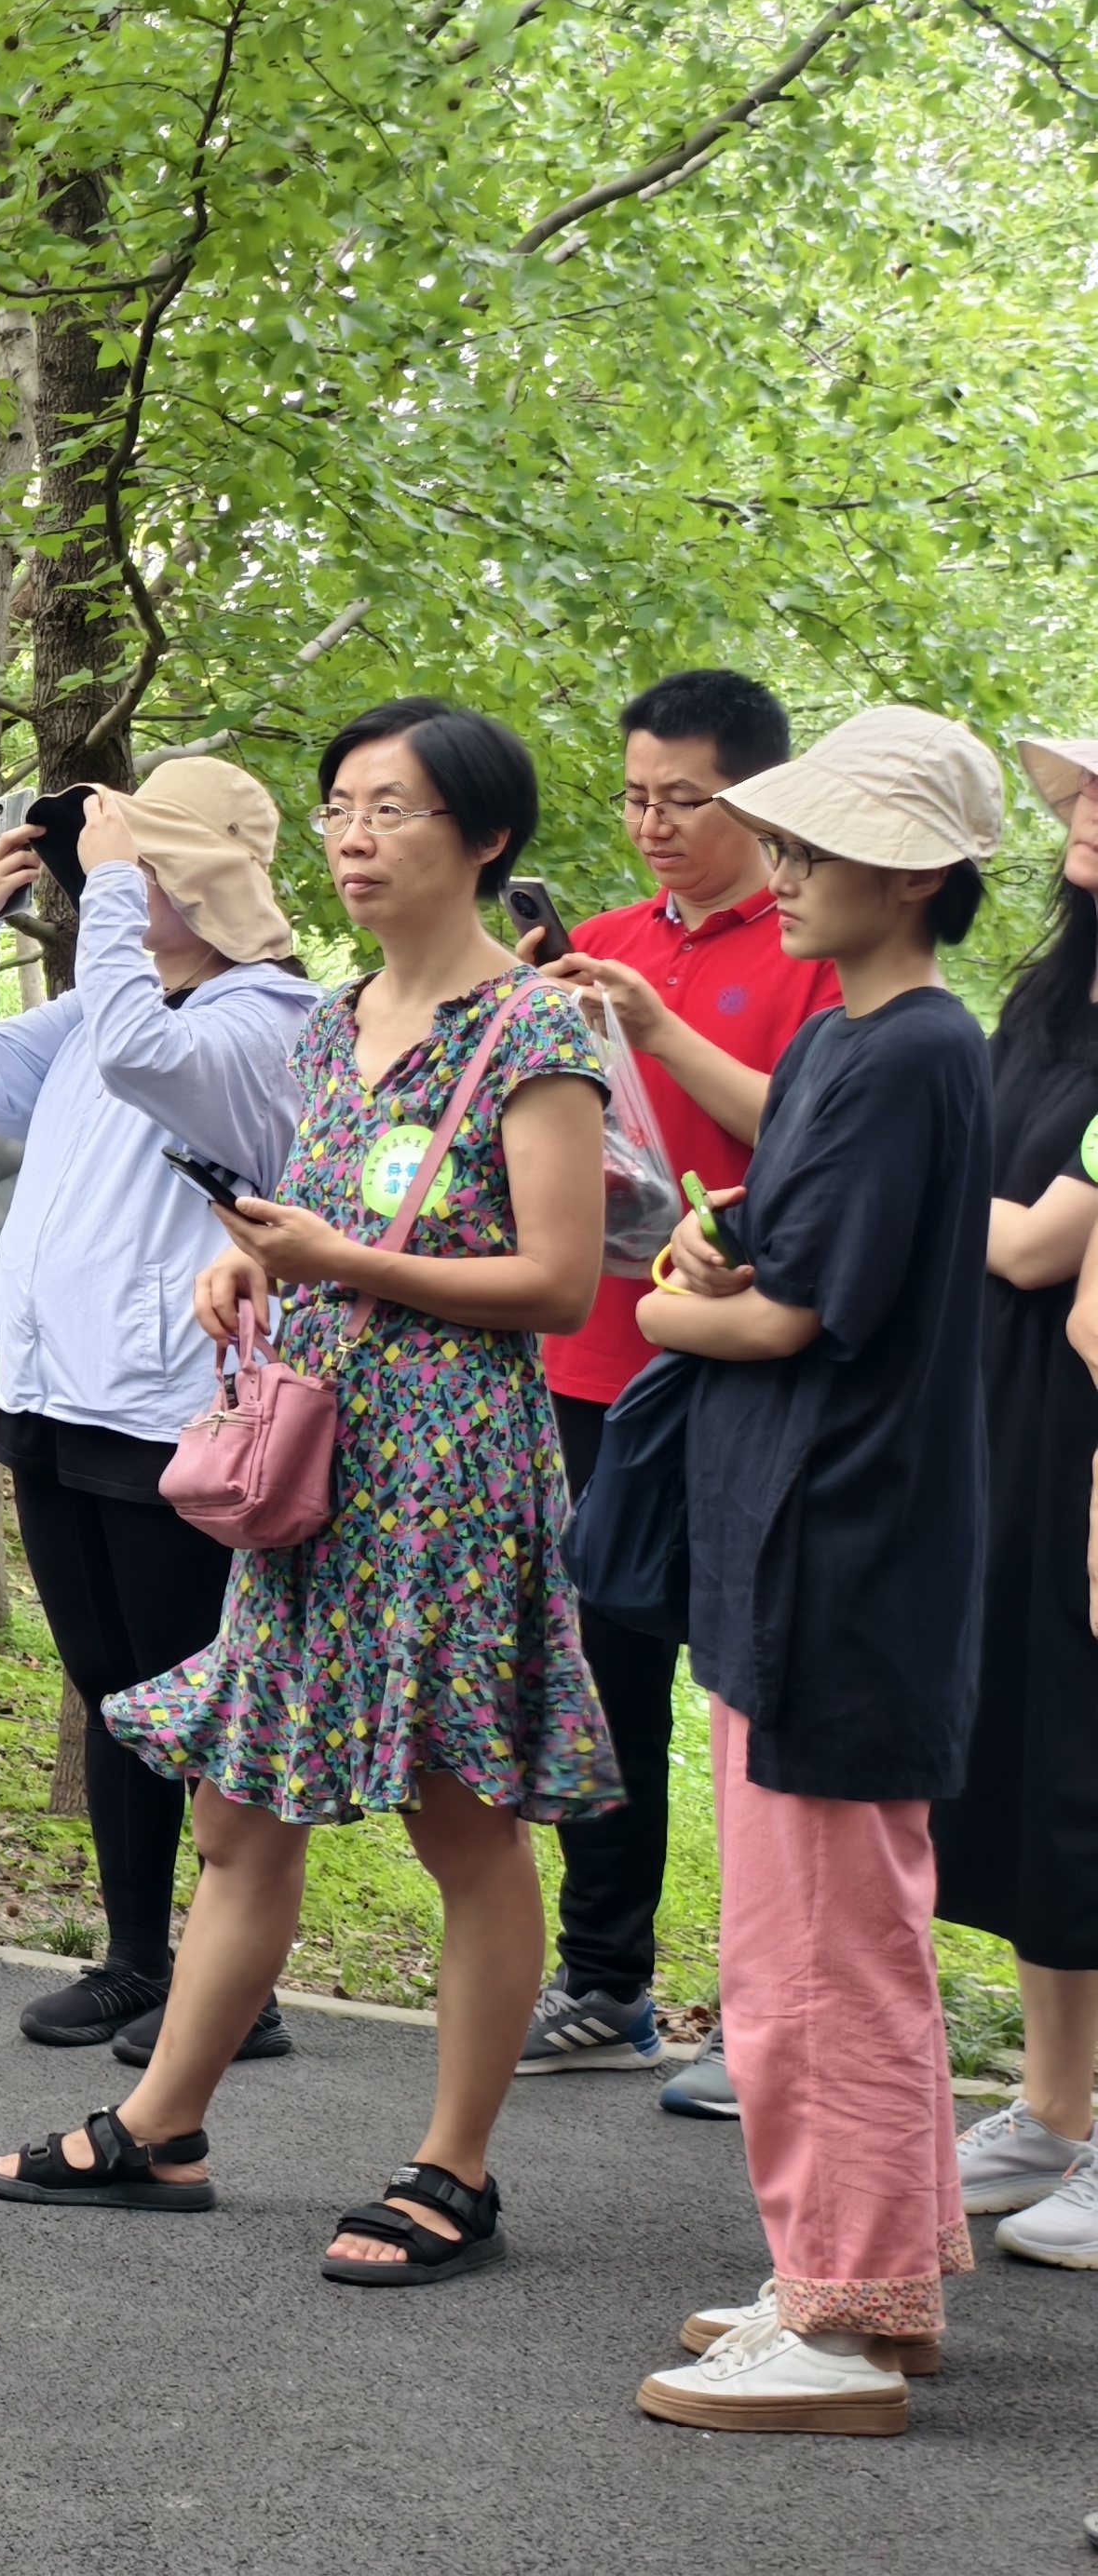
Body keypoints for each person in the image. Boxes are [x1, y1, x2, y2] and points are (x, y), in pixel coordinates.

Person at [0, 697, 619, 2286]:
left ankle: (451, 2169)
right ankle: (166, 2122)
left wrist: (338, 1260)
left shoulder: (534, 1031)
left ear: (482, 839)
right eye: (340, 806)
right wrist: (240, 1258)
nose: (352, 835)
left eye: (393, 809)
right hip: (315, 1463)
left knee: (460, 1819)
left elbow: (553, 1282)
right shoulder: (329, 1023)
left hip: (449, 1476)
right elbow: (317, 1203)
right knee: (238, 1802)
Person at [626, 704, 999, 2434]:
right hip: (797, 1537)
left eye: (809, 846)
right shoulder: (863, 1040)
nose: (774, 873)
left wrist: (662, 1303)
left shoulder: (920, 1044)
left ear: (915, 871)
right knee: (818, 1936)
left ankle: (844, 2325)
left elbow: (790, 1311)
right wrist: (720, 1242)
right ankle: (861, 2276)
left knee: (818, 1955)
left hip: (845, 1550)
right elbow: (785, 1233)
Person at [0, 761, 323, 2058]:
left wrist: (123, 874)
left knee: (194, 1696)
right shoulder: (95, 1012)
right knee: (114, 1692)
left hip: (177, 1412)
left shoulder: (271, 1021)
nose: (115, 891)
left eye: (151, 868)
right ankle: (140, 1959)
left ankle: (226, 1980)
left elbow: (149, 1052)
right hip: (56, 1391)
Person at [532, 672, 843, 2111]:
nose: (653, 823)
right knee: (605, 1681)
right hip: (587, 1359)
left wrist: (657, 1032)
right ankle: (609, 1979)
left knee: (747, 1680)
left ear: (759, 799)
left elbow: (832, 1139)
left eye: (687, 798)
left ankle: (771, 2005)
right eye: (636, 794)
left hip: (740, 1363)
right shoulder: (597, 941)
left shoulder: (819, 950)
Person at [929, 735, 1098, 2269]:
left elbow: (1046, 1242)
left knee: (1086, 1767)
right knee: (1030, 1753)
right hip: (1009, 1408)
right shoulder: (1054, 994)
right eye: (1085, 795)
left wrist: (910, 1202)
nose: (1088, 818)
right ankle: (1054, 2107)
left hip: (1084, 1416)